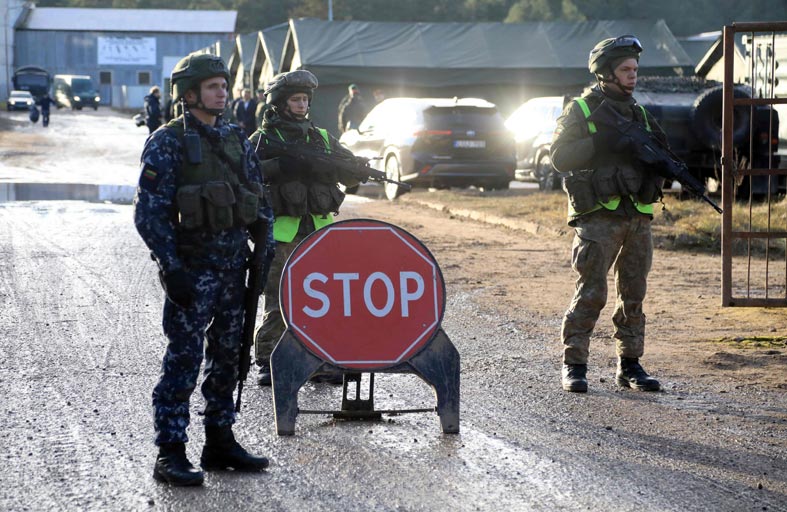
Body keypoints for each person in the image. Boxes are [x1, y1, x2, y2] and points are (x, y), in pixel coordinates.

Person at [134, 52, 274, 486]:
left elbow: (257, 197)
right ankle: (170, 452)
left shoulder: (235, 138)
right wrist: (170, 267)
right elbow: (150, 214)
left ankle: (219, 441)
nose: (223, 92)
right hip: (192, 272)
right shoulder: (168, 141)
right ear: (189, 93)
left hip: (235, 271)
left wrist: (263, 235)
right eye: (213, 86)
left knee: (229, 358)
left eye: (223, 85)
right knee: (184, 361)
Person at [550, 35, 666, 394]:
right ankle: (575, 365)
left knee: (634, 294)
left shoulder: (640, 114)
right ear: (605, 74)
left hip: (637, 215)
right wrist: (600, 142)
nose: (633, 76)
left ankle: (630, 365)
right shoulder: (581, 111)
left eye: (635, 69)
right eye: (625, 70)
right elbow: (559, 157)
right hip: (598, 216)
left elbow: (663, 154)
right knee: (592, 292)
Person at [250, 70, 361, 386]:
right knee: (279, 299)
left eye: (304, 100)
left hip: (319, 233)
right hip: (282, 234)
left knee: (320, 299)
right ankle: (270, 361)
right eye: (295, 99)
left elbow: (350, 173)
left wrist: (349, 168)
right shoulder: (265, 139)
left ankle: (321, 360)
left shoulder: (323, 138)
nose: (301, 105)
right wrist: (281, 167)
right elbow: (245, 172)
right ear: (280, 104)